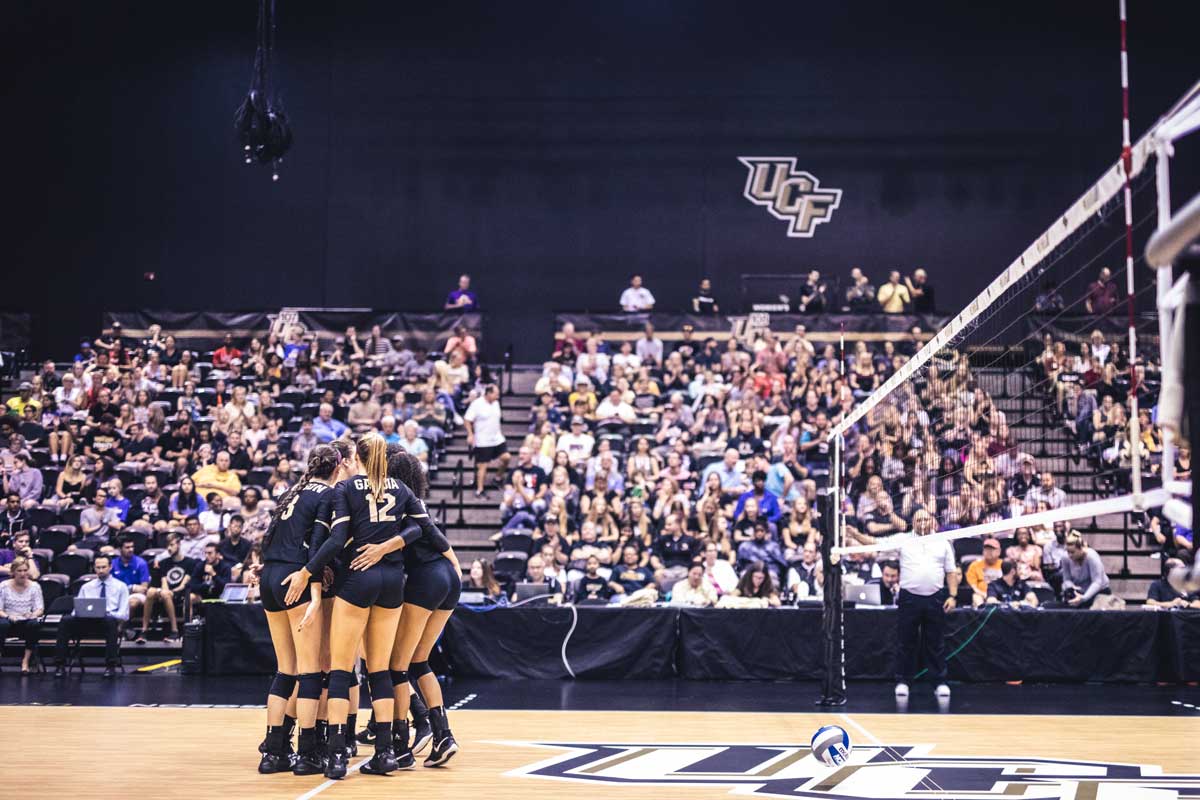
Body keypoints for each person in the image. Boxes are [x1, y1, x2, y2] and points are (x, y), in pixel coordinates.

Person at [282, 434, 450, 779]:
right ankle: (388, 752)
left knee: (342, 670)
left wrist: (307, 570)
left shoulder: (347, 489)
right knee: (382, 671)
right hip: (392, 583)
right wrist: (390, 545)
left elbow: (335, 539)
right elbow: (424, 526)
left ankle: (337, 754)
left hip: (359, 579)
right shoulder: (402, 490)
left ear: (355, 457)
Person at [348, 448, 460, 768]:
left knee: (397, 667)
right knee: (418, 661)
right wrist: (454, 564)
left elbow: (418, 533)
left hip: (426, 580)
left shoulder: (395, 503)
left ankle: (400, 741)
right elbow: (435, 535)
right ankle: (442, 734)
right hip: (447, 578)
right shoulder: (417, 503)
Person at [254, 443, 348, 774]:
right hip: (296, 578)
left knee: (285, 670)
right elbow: (320, 546)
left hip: (270, 577)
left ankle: (273, 752)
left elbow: (266, 541)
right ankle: (308, 753)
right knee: (310, 671)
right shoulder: (327, 495)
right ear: (337, 468)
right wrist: (316, 590)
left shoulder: (293, 493)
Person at [847, 508, 960, 699]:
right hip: (909, 598)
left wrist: (953, 596)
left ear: (932, 521)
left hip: (935, 597)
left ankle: (939, 682)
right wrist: (855, 534)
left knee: (936, 643)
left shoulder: (942, 542)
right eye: (918, 520)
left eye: (925, 519)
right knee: (905, 642)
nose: (922, 523)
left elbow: (951, 571)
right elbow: (875, 543)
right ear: (913, 523)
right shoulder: (904, 539)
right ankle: (903, 681)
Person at [54, 553, 129, 678]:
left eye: (103, 567)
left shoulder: (121, 587)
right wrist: (79, 613)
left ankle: (110, 666)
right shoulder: (87, 586)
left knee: (110, 621)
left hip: (107, 623)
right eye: (98, 567)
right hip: (87, 622)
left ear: (110, 567)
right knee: (66, 620)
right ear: (94, 568)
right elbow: (75, 610)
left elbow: (124, 615)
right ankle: (60, 664)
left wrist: (108, 613)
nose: (100, 570)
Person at [138, 532, 194, 643]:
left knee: (165, 593)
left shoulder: (189, 562)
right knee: (150, 591)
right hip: (167, 592)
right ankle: (144, 631)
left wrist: (170, 591)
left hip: (181, 592)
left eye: (172, 545)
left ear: (179, 545)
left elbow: (183, 584)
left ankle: (175, 631)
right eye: (167, 545)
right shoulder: (164, 563)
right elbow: (164, 582)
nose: (169, 548)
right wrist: (164, 591)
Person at [464, 383, 510, 498]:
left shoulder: (496, 403)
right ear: (488, 393)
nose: (497, 397)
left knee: (506, 457)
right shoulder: (477, 404)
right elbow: (467, 419)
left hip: (497, 438)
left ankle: (498, 478)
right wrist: (470, 435)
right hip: (483, 440)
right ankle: (480, 489)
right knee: (483, 466)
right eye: (496, 394)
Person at [0, 556, 44, 673]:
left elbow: (40, 608)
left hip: (26, 619)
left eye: (25, 570)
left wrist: (33, 615)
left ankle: (26, 660)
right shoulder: (3, 586)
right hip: (8, 618)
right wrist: (8, 616)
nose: (23, 573)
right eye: (19, 571)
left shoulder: (34, 586)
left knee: (33, 624)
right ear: (13, 572)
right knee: (1, 624)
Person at [1060, 531, 1110, 608]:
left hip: (1099, 591)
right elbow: (1066, 579)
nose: (1069, 555)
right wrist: (1071, 587)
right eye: (1068, 551)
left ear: (1081, 549)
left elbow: (1097, 582)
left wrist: (1084, 598)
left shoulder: (1091, 556)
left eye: (1072, 552)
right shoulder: (1065, 557)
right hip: (1080, 591)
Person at [111, 535, 151, 624]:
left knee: (132, 603)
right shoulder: (113, 564)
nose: (131, 550)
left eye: (132, 547)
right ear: (120, 549)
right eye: (127, 547)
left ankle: (118, 629)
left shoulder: (141, 563)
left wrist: (130, 590)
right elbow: (111, 587)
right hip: (119, 594)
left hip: (136, 596)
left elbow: (143, 588)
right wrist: (131, 588)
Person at [188, 542, 231, 607]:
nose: (207, 556)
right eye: (205, 553)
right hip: (203, 596)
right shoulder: (200, 566)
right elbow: (192, 585)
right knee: (189, 597)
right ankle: (188, 617)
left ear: (218, 554)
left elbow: (226, 587)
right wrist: (205, 587)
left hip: (220, 597)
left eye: (210, 553)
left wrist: (214, 574)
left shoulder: (225, 567)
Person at [965, 538, 1003, 606]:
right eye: (986, 549)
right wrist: (984, 595)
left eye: (992, 549)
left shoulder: (1004, 564)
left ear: (999, 551)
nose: (988, 552)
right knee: (976, 597)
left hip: (1000, 596)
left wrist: (993, 597)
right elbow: (973, 587)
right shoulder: (975, 565)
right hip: (981, 595)